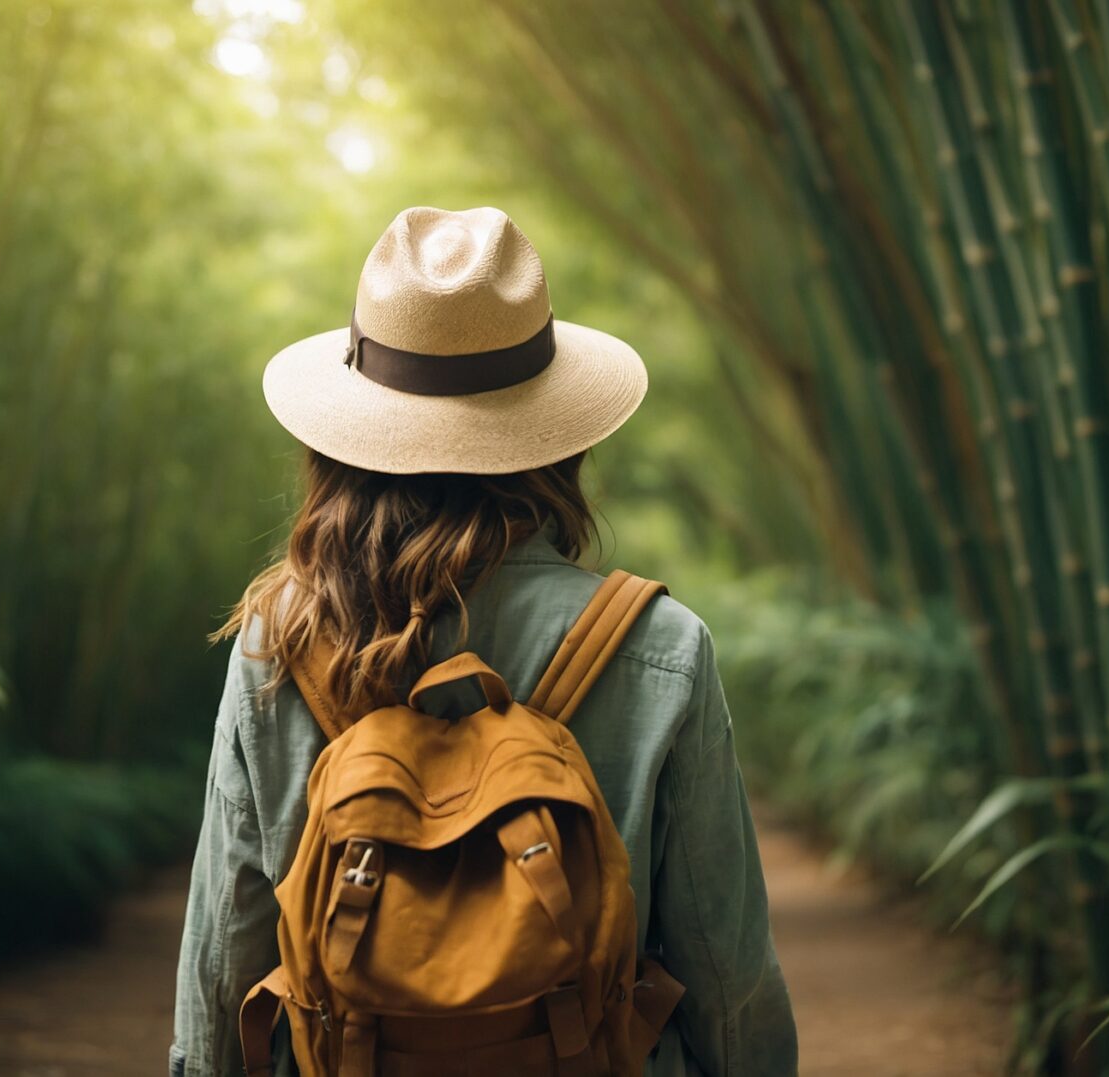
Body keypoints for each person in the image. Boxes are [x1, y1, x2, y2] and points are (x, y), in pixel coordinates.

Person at [170, 206, 796, 1076]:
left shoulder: (282, 643)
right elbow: (726, 971)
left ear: (349, 439)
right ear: (556, 438)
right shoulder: (660, 647)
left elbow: (223, 960)